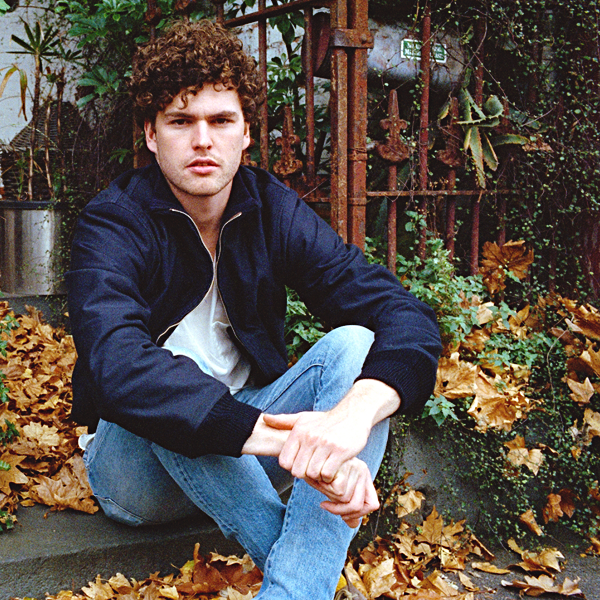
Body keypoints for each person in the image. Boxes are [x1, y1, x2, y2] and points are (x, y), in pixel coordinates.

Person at [67, 18, 441, 600]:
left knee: (355, 345)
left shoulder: (271, 208)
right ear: (151, 135)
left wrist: (348, 424)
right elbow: (118, 365)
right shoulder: (113, 223)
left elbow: (400, 313)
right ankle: (306, 579)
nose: (202, 140)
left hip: (249, 441)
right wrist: (294, 446)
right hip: (136, 474)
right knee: (169, 384)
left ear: (245, 134)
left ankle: (293, 591)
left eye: (221, 121)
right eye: (181, 121)